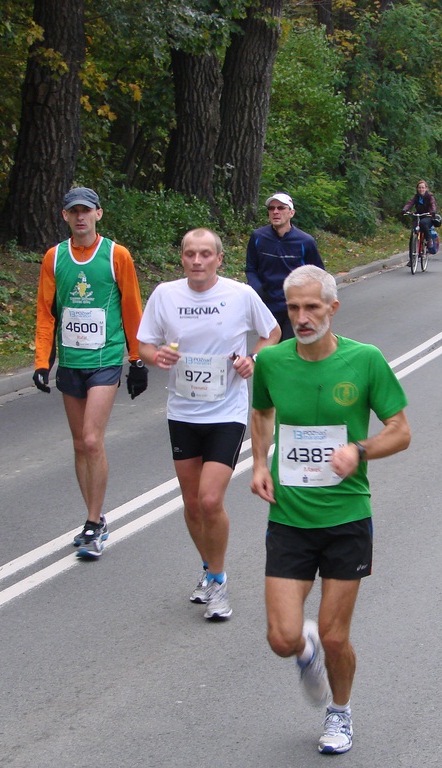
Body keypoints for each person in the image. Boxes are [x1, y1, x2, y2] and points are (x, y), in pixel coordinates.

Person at [249, 265, 411, 755]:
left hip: (346, 518)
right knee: (282, 638)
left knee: (336, 637)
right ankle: (305, 650)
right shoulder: (271, 361)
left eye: (311, 307)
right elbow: (261, 412)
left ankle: (339, 712)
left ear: (332, 308)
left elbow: (400, 431)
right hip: (289, 518)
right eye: (293, 307)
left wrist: (359, 450)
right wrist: (259, 464)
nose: (301, 317)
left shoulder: (365, 360)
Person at [137, 228, 281, 620]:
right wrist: (156, 357)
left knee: (210, 500)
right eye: (190, 254)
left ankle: (218, 581)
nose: (197, 261)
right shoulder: (165, 295)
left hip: (226, 412)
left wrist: (253, 359)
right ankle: (208, 568)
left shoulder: (240, 295)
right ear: (182, 257)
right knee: (191, 503)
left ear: (219, 258)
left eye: (205, 254)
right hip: (182, 412)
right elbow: (145, 344)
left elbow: (272, 333)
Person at [33, 186, 148, 559]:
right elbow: (46, 312)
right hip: (71, 362)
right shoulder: (54, 257)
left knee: (92, 439)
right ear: (65, 216)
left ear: (98, 214)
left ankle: (94, 522)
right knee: (79, 444)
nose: (80, 217)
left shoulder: (116, 255)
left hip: (105, 358)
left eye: (86, 210)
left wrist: (136, 358)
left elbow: (131, 307)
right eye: (74, 211)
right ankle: (92, 517)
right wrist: (42, 361)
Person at [245, 193, 324, 341]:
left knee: (288, 347)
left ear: (291, 213)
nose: (275, 212)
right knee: (270, 349)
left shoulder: (305, 241)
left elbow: (318, 274)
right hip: (268, 306)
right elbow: (251, 268)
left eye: (281, 208)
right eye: (271, 208)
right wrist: (257, 288)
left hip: (293, 306)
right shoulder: (258, 237)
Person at [401, 180, 438, 263]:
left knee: (423, 223)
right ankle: (412, 259)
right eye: (419, 188)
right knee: (413, 234)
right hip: (418, 215)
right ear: (417, 189)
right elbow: (410, 203)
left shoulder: (430, 196)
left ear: (426, 188)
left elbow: (433, 204)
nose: (421, 189)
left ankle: (428, 239)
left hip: (428, 215)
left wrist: (433, 211)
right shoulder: (416, 197)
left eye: (423, 188)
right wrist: (405, 209)